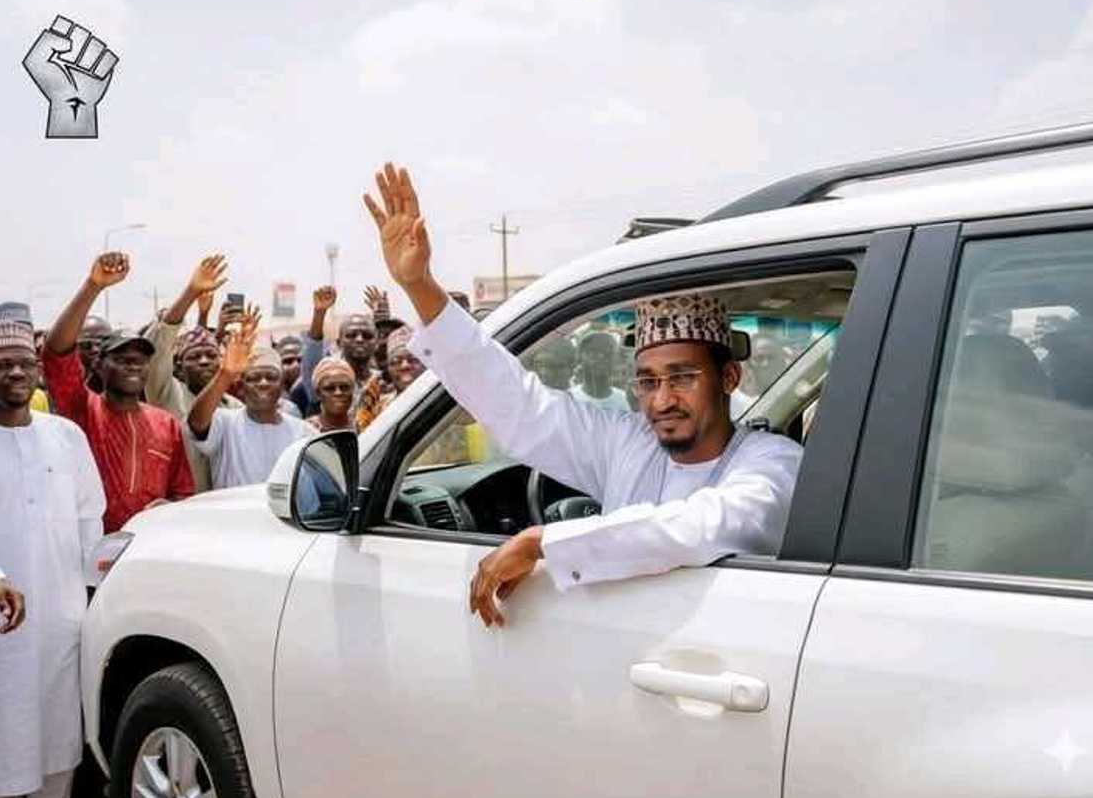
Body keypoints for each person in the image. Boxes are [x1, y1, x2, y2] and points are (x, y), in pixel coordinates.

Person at [362, 163, 802, 627]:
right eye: (648, 381)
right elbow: (519, 404)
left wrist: (542, 543)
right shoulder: (630, 442)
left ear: (729, 378)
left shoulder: (772, 462)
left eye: (682, 377)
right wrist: (419, 286)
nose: (662, 400)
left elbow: (697, 528)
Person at [0, 318, 106, 798]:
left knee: (58, 749)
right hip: (4, 623)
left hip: (63, 619)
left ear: (39, 371)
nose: (15, 373)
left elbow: (90, 520)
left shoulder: (66, 436)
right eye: (2, 365)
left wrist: (94, 593)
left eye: (23, 363)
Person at [44, 254, 195, 533]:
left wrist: (170, 508)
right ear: (99, 366)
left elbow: (183, 492)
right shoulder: (82, 409)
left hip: (146, 551)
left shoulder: (166, 424)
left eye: (140, 358)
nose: (133, 363)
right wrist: (93, 286)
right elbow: (55, 352)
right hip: (89, 547)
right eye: (121, 356)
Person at [146, 255, 244, 492]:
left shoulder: (236, 408)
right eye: (194, 356)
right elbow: (158, 349)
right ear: (179, 365)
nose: (204, 361)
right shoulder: (167, 395)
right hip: (180, 509)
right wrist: (191, 293)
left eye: (211, 355)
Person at [188, 312, 316, 489]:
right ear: (242, 387)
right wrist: (226, 374)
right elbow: (196, 421)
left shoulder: (304, 432)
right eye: (254, 377)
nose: (263, 383)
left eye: (271, 377)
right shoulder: (225, 422)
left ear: (282, 386)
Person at [571, 331, 630, 411]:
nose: (601, 357)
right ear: (579, 357)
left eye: (608, 353)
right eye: (593, 352)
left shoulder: (626, 402)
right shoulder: (569, 400)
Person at [308, 357, 357, 431]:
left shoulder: (364, 426)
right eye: (330, 388)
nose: (338, 393)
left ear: (352, 390)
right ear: (318, 393)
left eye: (344, 387)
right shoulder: (308, 429)